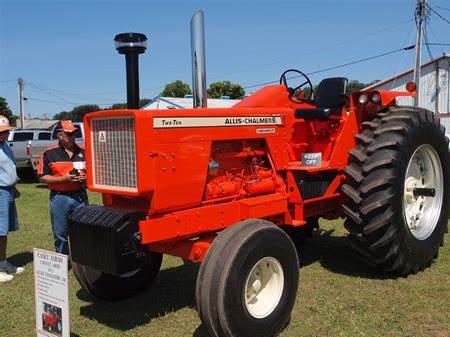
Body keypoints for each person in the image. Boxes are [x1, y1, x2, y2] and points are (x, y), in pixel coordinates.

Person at [38, 121, 87, 255]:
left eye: (74, 133)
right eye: (69, 134)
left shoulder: (83, 151)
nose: (72, 137)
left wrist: (86, 179)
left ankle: (82, 262)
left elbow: (94, 174)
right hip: (60, 198)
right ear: (60, 135)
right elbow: (43, 177)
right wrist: (63, 179)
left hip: (80, 196)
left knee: (82, 232)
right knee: (60, 234)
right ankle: (63, 263)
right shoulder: (50, 153)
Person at [0, 115, 24, 282]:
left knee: (4, 231)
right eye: (2, 132)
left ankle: (3, 262)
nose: (5, 134)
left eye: (7, 131)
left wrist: (13, 187)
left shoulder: (5, 146)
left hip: (7, 191)